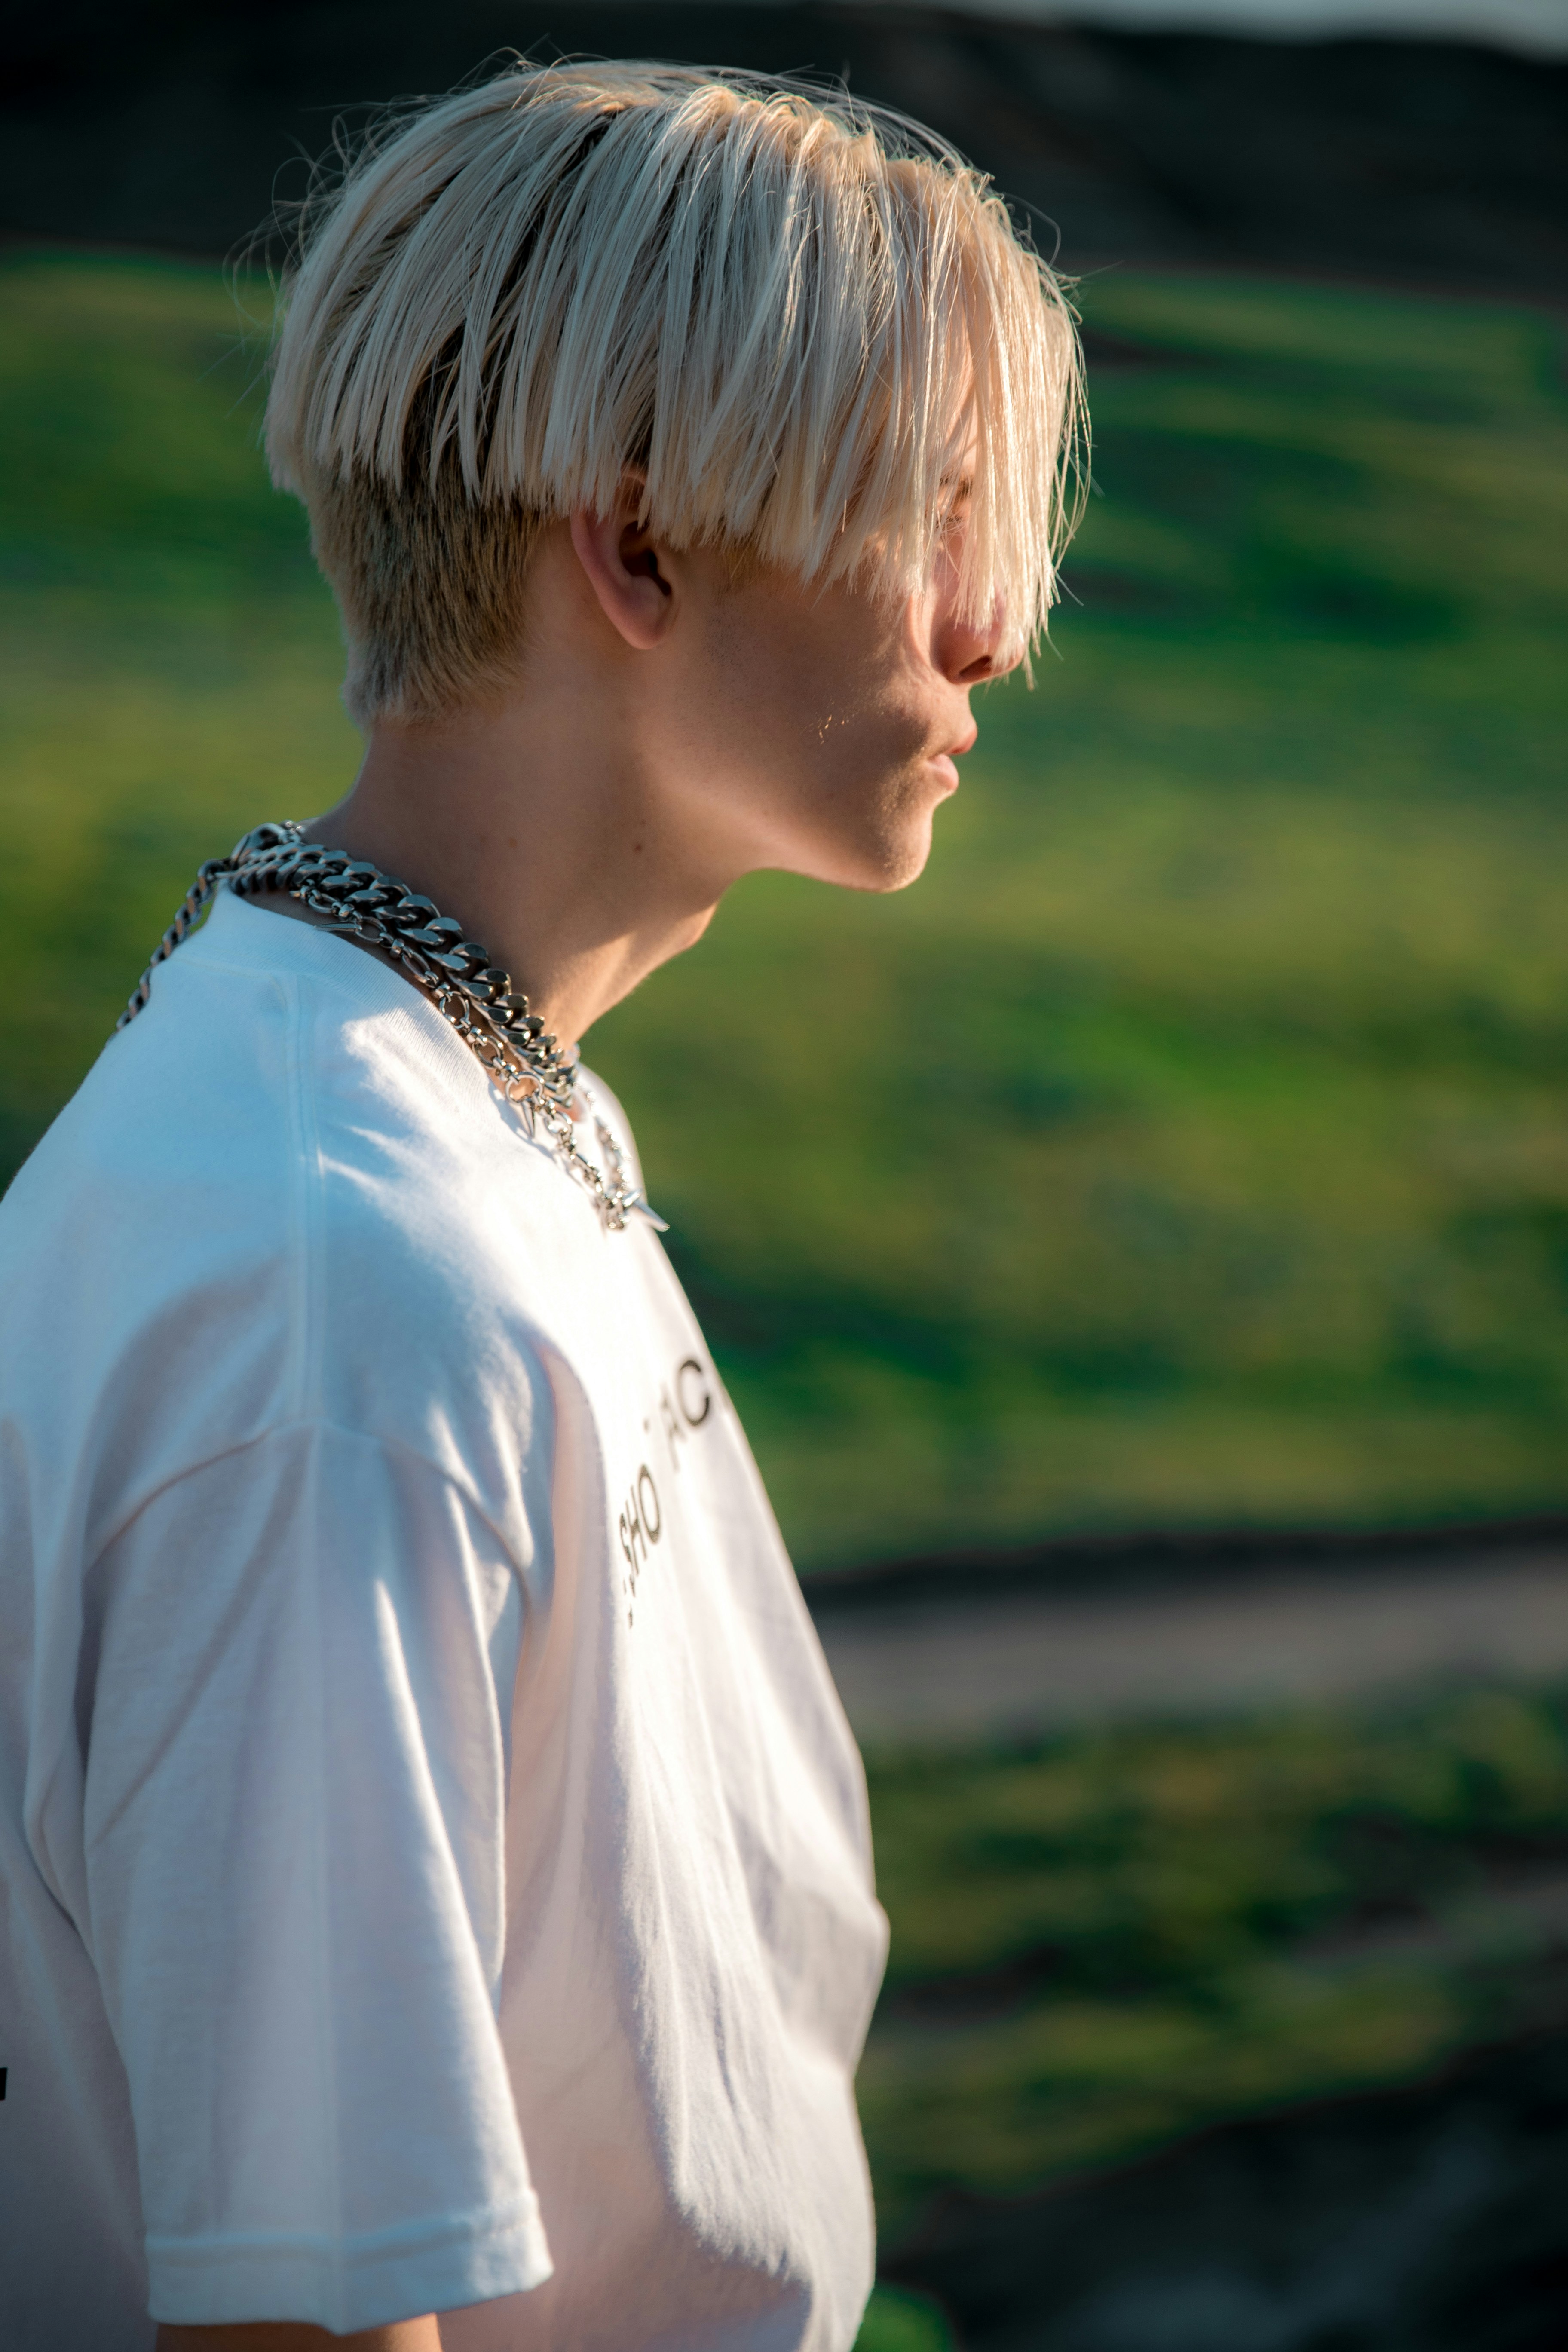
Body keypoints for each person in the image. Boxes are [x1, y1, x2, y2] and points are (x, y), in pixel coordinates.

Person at [0, 60, 1083, 2352]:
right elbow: (307, 2318)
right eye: (938, 510)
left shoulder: (457, 1104)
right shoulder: (345, 1298)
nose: (993, 627)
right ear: (641, 542)